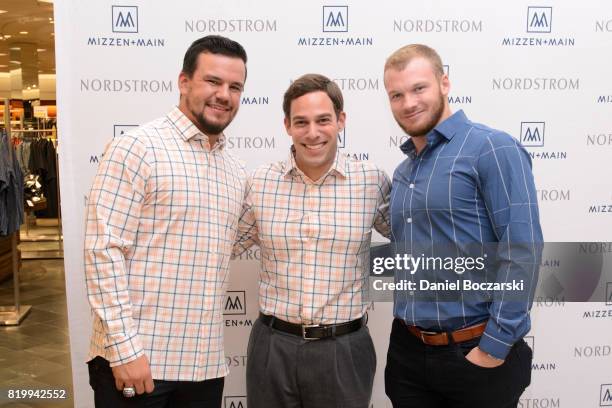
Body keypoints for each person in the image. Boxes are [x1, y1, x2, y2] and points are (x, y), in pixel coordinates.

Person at [84, 35, 248, 407]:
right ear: (184, 81)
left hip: (204, 368)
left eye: (235, 86)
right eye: (213, 81)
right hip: (138, 365)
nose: (224, 94)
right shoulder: (137, 147)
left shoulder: (235, 169)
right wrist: (124, 350)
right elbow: (102, 251)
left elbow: (230, 243)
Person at [382, 44, 543, 408]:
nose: (408, 103)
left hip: (475, 353)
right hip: (408, 357)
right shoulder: (403, 173)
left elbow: (523, 249)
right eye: (397, 94)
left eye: (419, 88)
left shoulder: (491, 148)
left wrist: (494, 347)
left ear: (444, 83)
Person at [233, 73, 391, 408]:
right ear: (287, 125)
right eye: (301, 122)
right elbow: (226, 245)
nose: (313, 132)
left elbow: (415, 237)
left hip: (344, 348)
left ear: (341, 121)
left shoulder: (372, 181)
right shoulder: (261, 182)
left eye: (323, 120)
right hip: (272, 346)